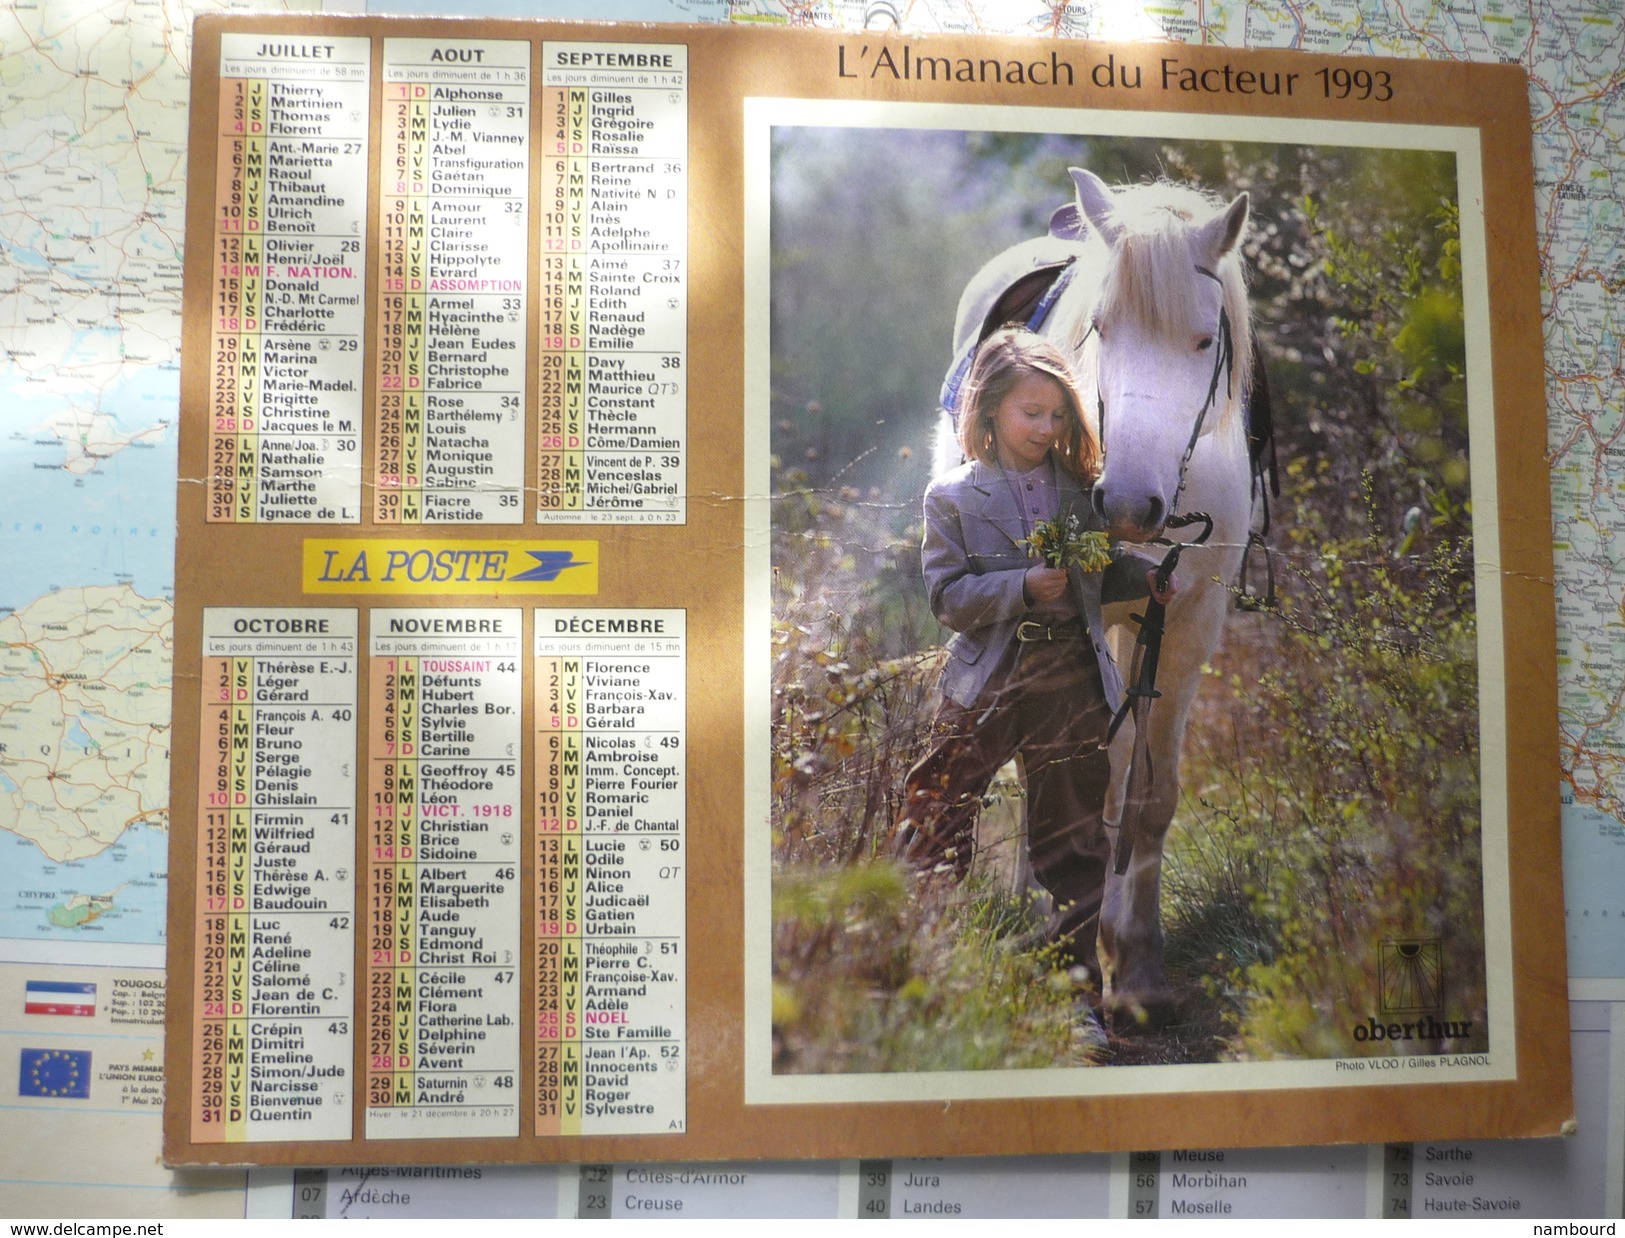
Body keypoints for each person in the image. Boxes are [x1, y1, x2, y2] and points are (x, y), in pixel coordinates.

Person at [894, 327, 1169, 999]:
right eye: (1030, 413)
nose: (1045, 428)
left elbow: (1093, 579)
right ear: (989, 409)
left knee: (1074, 840)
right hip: (985, 678)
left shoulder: (1080, 493)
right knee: (935, 814)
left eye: (1056, 415)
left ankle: (1073, 995)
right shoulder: (952, 496)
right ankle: (904, 966)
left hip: (1071, 679)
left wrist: (1142, 578)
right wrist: (1018, 587)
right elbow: (946, 599)